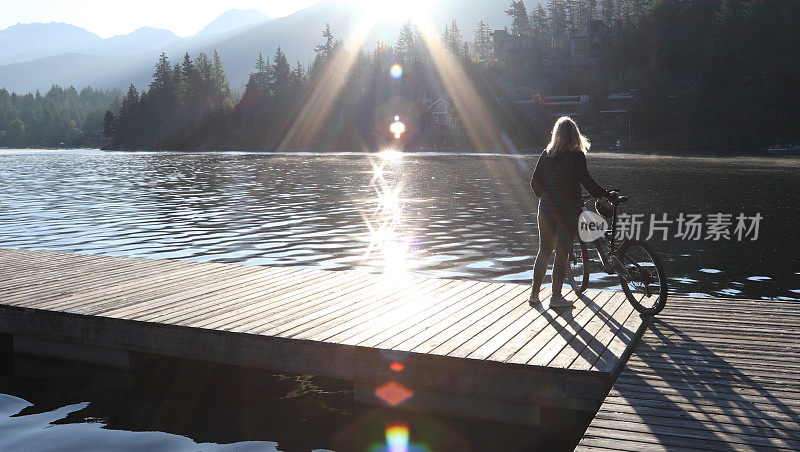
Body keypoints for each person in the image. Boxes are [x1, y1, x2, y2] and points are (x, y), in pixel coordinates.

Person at [529, 116, 611, 308]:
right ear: (575, 134)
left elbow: (534, 183)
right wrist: (607, 195)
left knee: (544, 250)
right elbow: (588, 182)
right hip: (567, 212)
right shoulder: (576, 155)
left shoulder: (546, 154)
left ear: (556, 134)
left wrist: (546, 197)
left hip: (546, 211)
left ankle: (534, 294)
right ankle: (555, 297)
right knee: (562, 252)